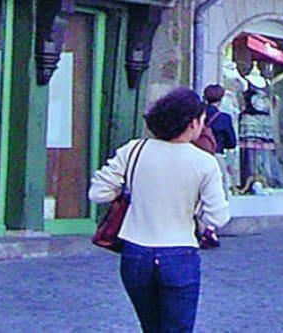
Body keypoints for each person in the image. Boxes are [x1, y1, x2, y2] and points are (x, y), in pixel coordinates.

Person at [90, 86, 230, 333]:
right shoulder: (204, 163)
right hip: (179, 252)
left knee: (150, 327)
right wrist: (196, 212)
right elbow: (218, 217)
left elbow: (98, 193)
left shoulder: (134, 150)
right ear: (192, 123)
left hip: (135, 252)